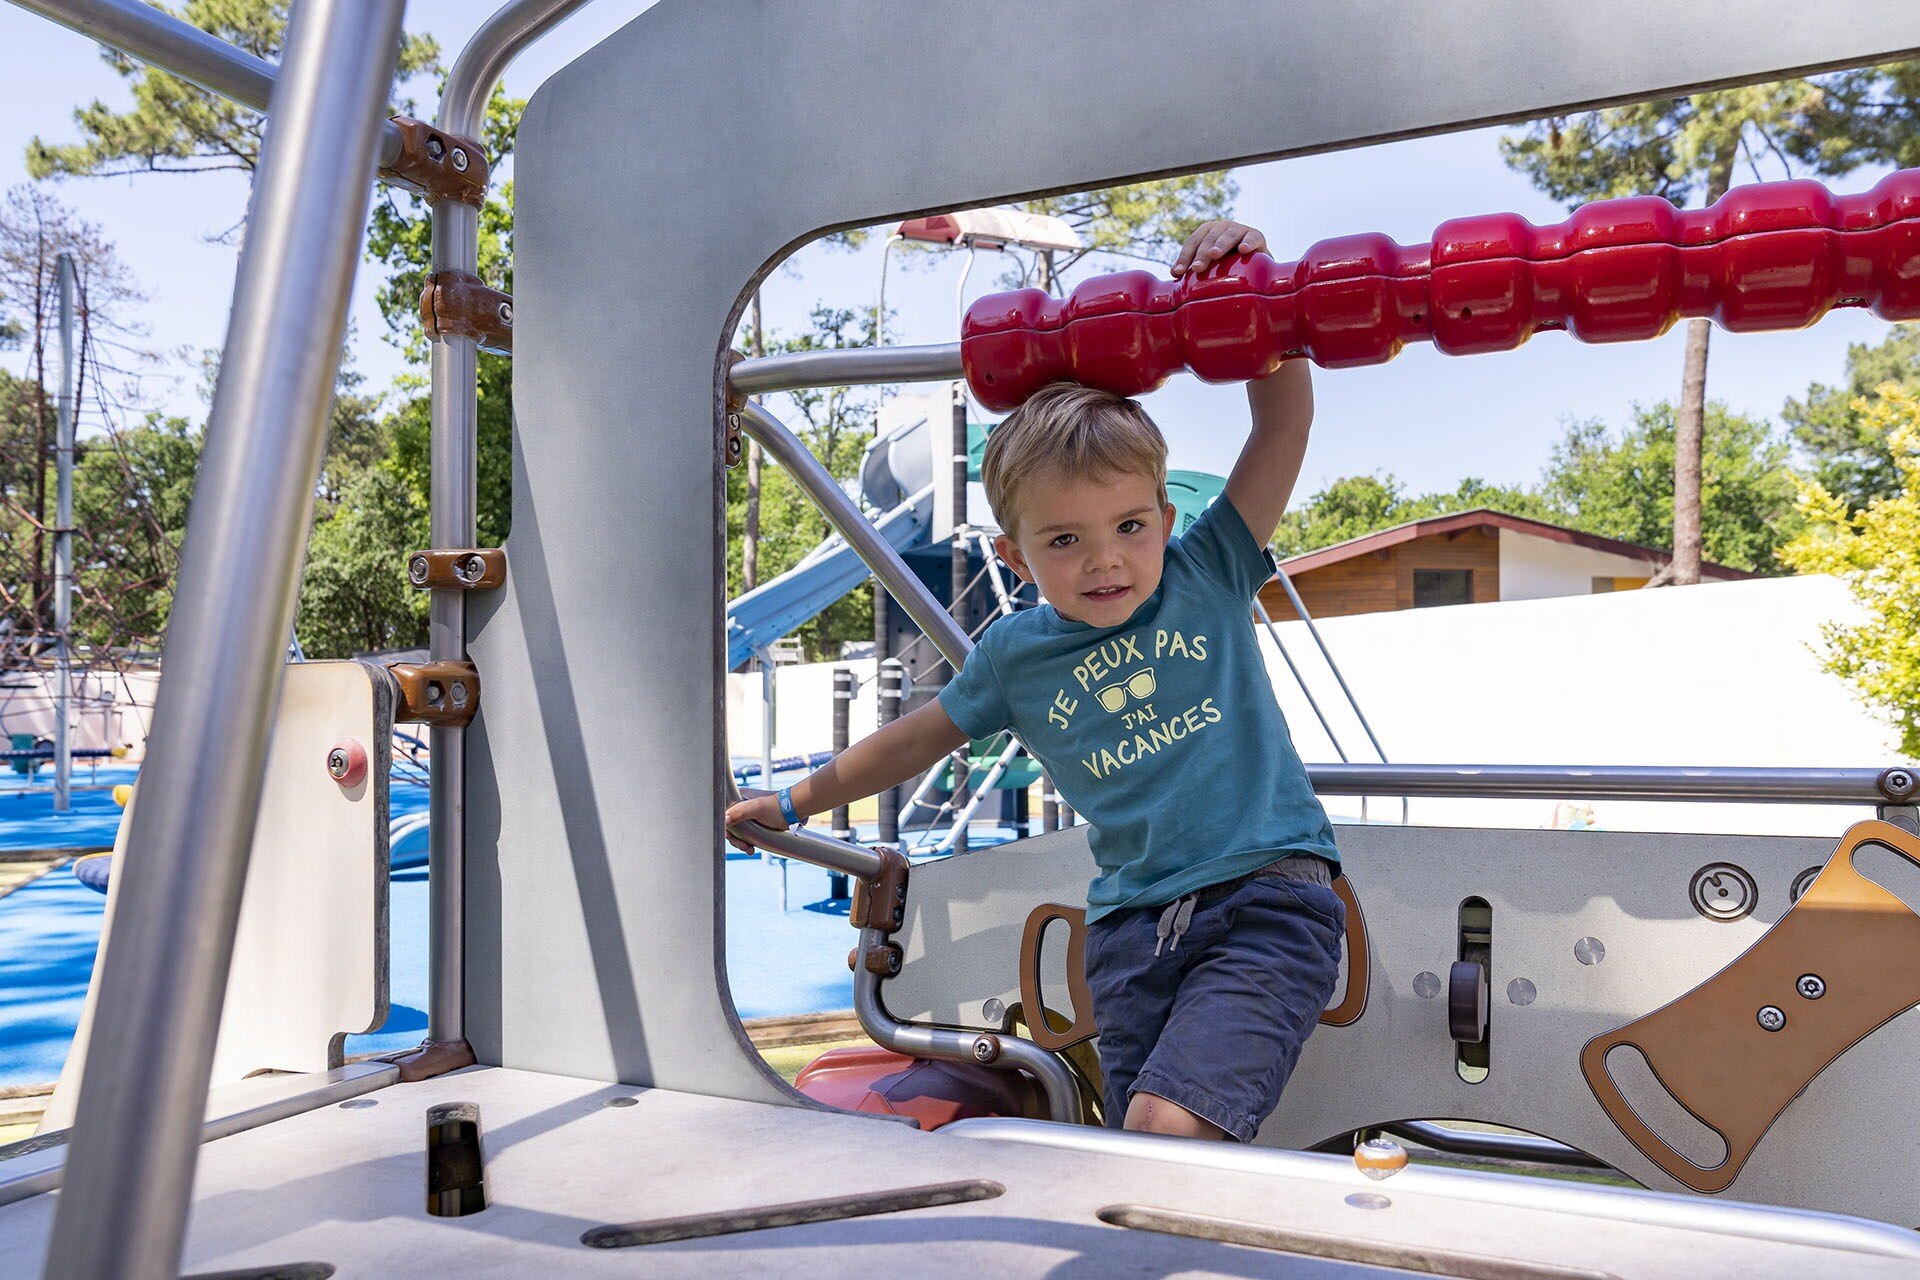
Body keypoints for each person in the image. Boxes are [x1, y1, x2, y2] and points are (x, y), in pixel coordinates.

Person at [727, 220, 1343, 1143]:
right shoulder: (1017, 655)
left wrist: (1247, 280)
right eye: (1065, 540)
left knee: (1169, 1129)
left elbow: (1283, 422)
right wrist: (795, 802)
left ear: (1164, 516)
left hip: (1265, 899)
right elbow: (913, 737)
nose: (1106, 560)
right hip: (1130, 932)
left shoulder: (1208, 569)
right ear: (1016, 556)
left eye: (1130, 526)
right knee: (1137, 1150)